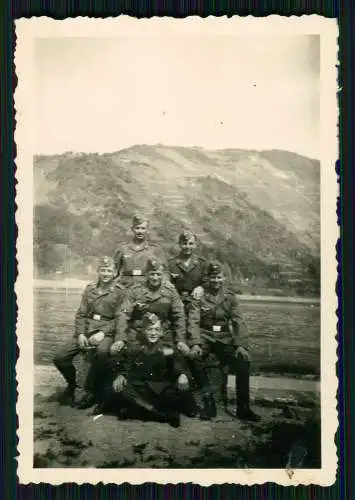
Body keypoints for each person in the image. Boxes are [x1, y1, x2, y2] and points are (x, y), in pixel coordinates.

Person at [187, 260, 261, 422]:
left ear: (224, 278)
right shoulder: (199, 296)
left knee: (243, 361)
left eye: (219, 277)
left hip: (224, 339)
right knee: (194, 357)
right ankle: (209, 402)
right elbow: (193, 321)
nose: (216, 281)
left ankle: (243, 408)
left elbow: (238, 321)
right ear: (207, 278)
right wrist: (196, 343)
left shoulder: (230, 297)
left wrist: (241, 345)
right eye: (213, 277)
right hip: (205, 336)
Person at [53, 256, 125, 408]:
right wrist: (80, 334)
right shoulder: (90, 289)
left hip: (106, 330)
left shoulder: (119, 292)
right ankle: (72, 384)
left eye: (109, 271)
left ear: (115, 273)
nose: (105, 274)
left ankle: (93, 389)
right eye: (103, 270)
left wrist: (103, 333)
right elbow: (80, 314)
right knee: (60, 357)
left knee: (102, 352)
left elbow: (120, 318)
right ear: (98, 271)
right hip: (86, 329)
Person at [103, 312, 196, 427]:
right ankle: (157, 413)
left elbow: (177, 363)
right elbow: (127, 365)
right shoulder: (136, 348)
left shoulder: (167, 348)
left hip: (162, 388)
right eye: (149, 329)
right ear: (143, 331)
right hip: (143, 389)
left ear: (162, 332)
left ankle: (140, 412)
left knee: (175, 391)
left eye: (157, 330)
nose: (153, 333)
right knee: (121, 388)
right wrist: (121, 375)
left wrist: (182, 374)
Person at [110, 256, 190, 357]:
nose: (155, 278)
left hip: (162, 332)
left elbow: (179, 315)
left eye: (158, 274)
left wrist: (181, 340)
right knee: (127, 353)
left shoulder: (170, 291)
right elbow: (123, 314)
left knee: (171, 354)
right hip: (139, 332)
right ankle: (125, 372)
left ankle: (176, 371)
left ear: (163, 275)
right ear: (146, 274)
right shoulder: (135, 290)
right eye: (152, 274)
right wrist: (120, 338)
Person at [113, 215, 168, 288]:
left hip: (147, 287)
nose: (140, 231)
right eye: (137, 228)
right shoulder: (123, 249)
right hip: (125, 286)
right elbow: (113, 271)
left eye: (143, 228)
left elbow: (164, 272)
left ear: (147, 230)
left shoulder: (155, 249)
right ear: (132, 229)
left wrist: (164, 285)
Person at [168, 230, 208, 312]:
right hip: (176, 304)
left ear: (195, 245)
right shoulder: (171, 263)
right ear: (179, 244)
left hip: (196, 303)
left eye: (190, 244)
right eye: (184, 244)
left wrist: (202, 287)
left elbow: (208, 281)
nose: (187, 247)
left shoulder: (202, 263)